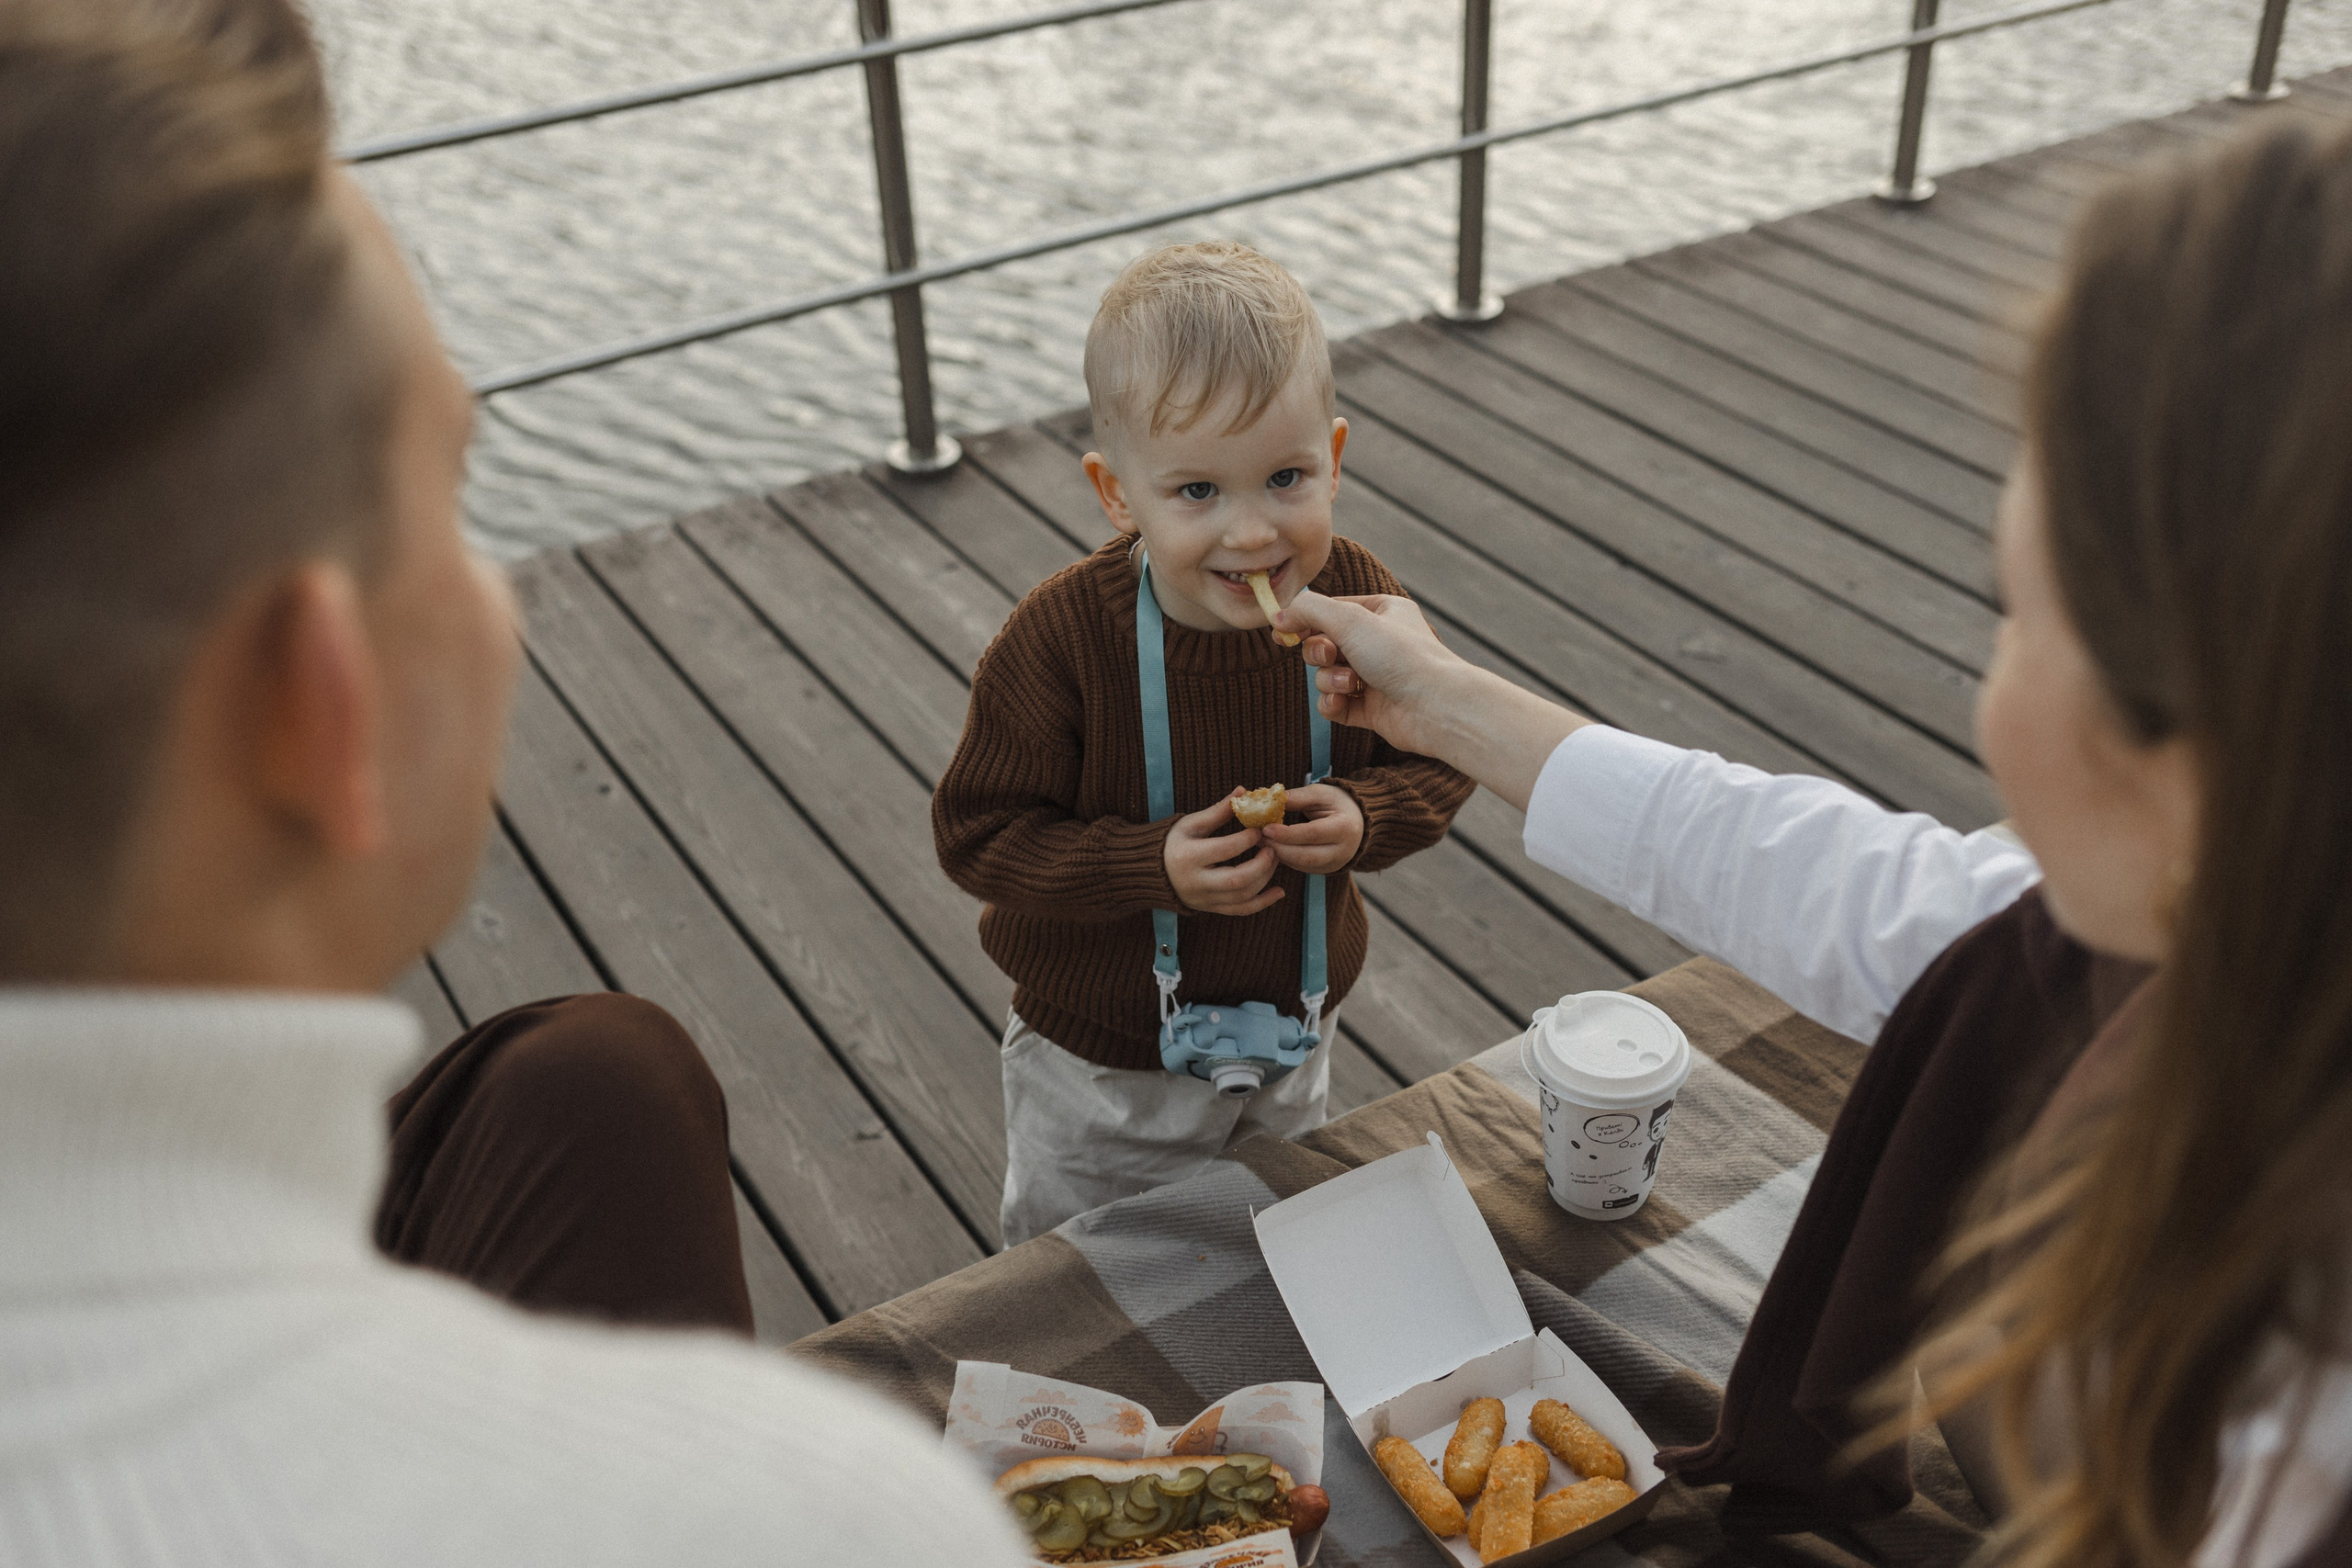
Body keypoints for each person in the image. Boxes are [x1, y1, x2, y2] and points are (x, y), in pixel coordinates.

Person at [0, 2, 1025, 1562]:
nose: (504, 596)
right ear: (316, 708)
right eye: (455, 494)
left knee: (587, 1085)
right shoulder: (824, 1517)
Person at [1273, 121, 2352, 1568]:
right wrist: (1448, 706)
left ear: (2212, 724)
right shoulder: (2220, 937)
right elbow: (1876, 898)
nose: (1995, 684)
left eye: (2019, 610)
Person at [933, 242, 1474, 1246]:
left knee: (1271, 1238)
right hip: (1105, 1068)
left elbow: (1443, 753)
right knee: (1085, 1269)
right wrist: (1148, 864)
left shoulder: (1355, 599)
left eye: (1284, 478)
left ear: (1335, 459)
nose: (1251, 533)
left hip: (1295, 1027)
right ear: (1116, 493)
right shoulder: (1061, 639)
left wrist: (1364, 816)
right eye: (1195, 493)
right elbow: (980, 837)